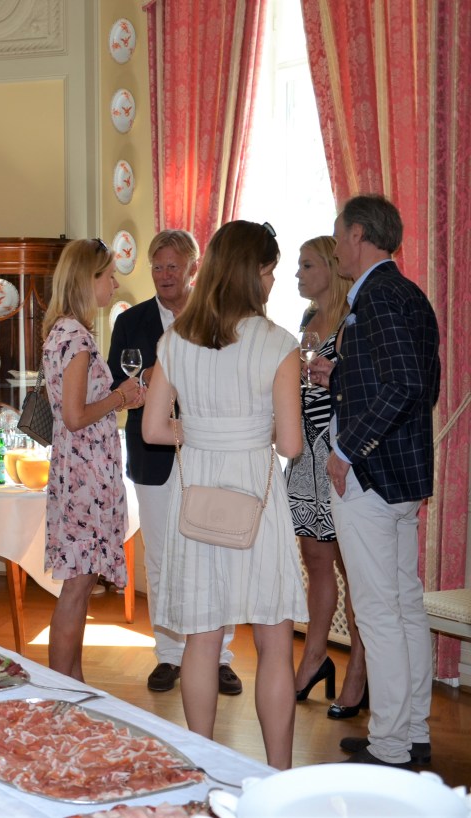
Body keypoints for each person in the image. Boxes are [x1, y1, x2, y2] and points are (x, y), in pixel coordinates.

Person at [142, 220, 305, 769]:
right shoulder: (278, 343)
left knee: (201, 639)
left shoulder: (175, 340)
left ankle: (204, 768)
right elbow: (290, 443)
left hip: (199, 499)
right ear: (252, 273)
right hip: (257, 502)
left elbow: (153, 429)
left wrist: (200, 431)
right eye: (270, 271)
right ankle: (278, 773)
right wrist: (245, 431)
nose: (273, 282)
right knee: (275, 643)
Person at [315, 195, 440, 768]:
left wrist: (346, 449)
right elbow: (415, 384)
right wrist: (340, 374)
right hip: (402, 474)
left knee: (378, 611)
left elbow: (405, 384)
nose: (336, 246)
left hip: (369, 476)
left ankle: (391, 745)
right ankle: (411, 731)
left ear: (359, 235)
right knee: (404, 604)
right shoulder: (408, 294)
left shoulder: (377, 296)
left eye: (339, 235)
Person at [108, 229, 243, 696]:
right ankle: (168, 654)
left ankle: (220, 657)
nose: (164, 275)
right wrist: (154, 374)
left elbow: (232, 382)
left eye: (173, 266)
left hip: (209, 453)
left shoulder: (218, 316)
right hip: (152, 455)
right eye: (157, 266)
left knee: (215, 553)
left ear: (193, 268)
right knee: (162, 558)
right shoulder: (131, 321)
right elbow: (118, 386)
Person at [44, 239, 143, 681]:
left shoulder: (65, 332)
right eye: (109, 276)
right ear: (88, 280)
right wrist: (120, 397)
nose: (114, 284)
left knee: (80, 587)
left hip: (79, 472)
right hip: (84, 477)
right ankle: (62, 687)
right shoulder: (77, 338)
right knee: (77, 587)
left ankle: (74, 681)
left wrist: (118, 397)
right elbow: (75, 415)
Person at [285, 236, 368, 717]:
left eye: (307, 265)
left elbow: (358, 392)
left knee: (353, 567)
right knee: (315, 559)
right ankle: (315, 657)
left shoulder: (352, 322)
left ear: (332, 270)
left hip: (337, 456)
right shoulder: (306, 320)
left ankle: (359, 667)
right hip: (304, 455)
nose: (298, 274)